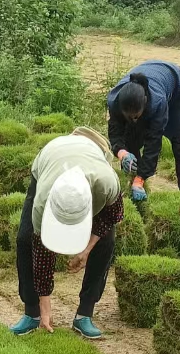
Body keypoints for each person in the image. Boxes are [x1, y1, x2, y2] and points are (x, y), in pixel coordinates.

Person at [10, 128, 124, 339]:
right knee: (25, 239)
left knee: (106, 242)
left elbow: (112, 217)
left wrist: (86, 249)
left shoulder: (107, 183)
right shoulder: (43, 201)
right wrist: (46, 307)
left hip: (91, 157)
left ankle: (85, 314)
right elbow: (42, 251)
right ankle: (32, 314)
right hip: (52, 159)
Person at [106, 61, 180, 201]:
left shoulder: (157, 102)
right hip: (150, 80)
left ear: (145, 102)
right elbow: (115, 133)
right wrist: (122, 153)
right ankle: (131, 182)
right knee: (130, 135)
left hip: (178, 85)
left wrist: (141, 178)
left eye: (136, 116)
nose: (134, 120)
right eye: (129, 117)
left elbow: (153, 143)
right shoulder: (115, 101)